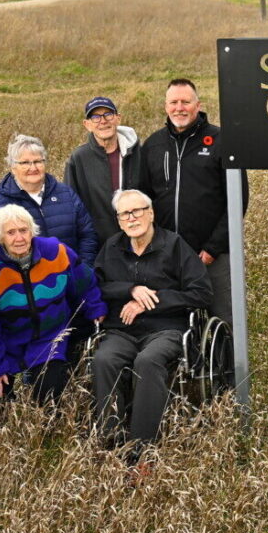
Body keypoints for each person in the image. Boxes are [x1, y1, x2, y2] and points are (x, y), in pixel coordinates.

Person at [137, 78, 248, 388]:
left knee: (224, 321)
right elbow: (144, 200)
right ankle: (183, 387)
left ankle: (229, 392)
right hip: (168, 258)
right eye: (173, 102)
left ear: (199, 105)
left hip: (213, 255)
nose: (179, 108)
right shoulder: (154, 145)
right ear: (165, 107)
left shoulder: (223, 141)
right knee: (173, 322)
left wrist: (212, 248)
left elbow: (237, 200)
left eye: (186, 102)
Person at [93, 189, 213, 464]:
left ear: (151, 213)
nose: (132, 217)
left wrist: (152, 302)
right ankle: (111, 442)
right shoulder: (112, 247)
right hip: (122, 329)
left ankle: (140, 450)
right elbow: (97, 286)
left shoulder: (173, 245)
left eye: (137, 211)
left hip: (166, 328)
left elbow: (201, 293)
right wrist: (131, 289)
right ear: (119, 220)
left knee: (148, 360)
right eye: (125, 214)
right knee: (104, 359)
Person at [0, 205, 107, 407]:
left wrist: (95, 306)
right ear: (0, 236)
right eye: (10, 232)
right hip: (8, 341)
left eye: (23, 230)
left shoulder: (55, 252)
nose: (19, 238)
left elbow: (84, 281)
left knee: (49, 400)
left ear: (32, 231)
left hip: (49, 338)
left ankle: (48, 434)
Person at [0, 134, 98, 266]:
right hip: (24, 283)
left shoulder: (66, 194)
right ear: (12, 167)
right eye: (25, 163)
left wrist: (82, 270)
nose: (33, 168)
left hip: (69, 277)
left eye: (38, 161)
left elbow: (87, 236)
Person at [64, 96, 142, 245]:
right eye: (95, 117)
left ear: (118, 118)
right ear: (87, 124)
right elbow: (71, 204)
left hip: (137, 240)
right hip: (99, 244)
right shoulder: (79, 158)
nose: (103, 121)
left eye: (108, 114)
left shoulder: (138, 153)